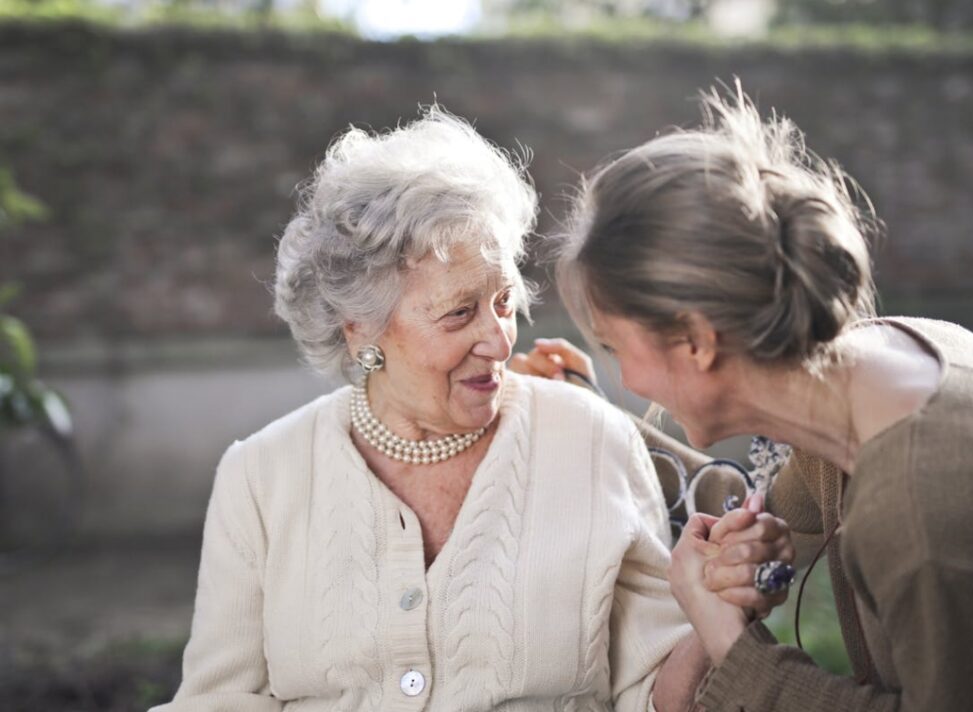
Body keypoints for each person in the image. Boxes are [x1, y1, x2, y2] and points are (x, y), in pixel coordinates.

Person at [149, 107, 792, 712]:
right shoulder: (261, 477)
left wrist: (712, 612)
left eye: (505, 302)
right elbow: (218, 699)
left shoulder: (590, 439)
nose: (498, 339)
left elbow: (649, 695)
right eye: (459, 312)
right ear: (359, 329)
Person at [542, 85, 973, 711]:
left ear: (695, 341)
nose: (627, 380)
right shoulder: (885, 365)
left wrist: (732, 645)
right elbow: (761, 508)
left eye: (614, 348)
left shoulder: (916, 517)